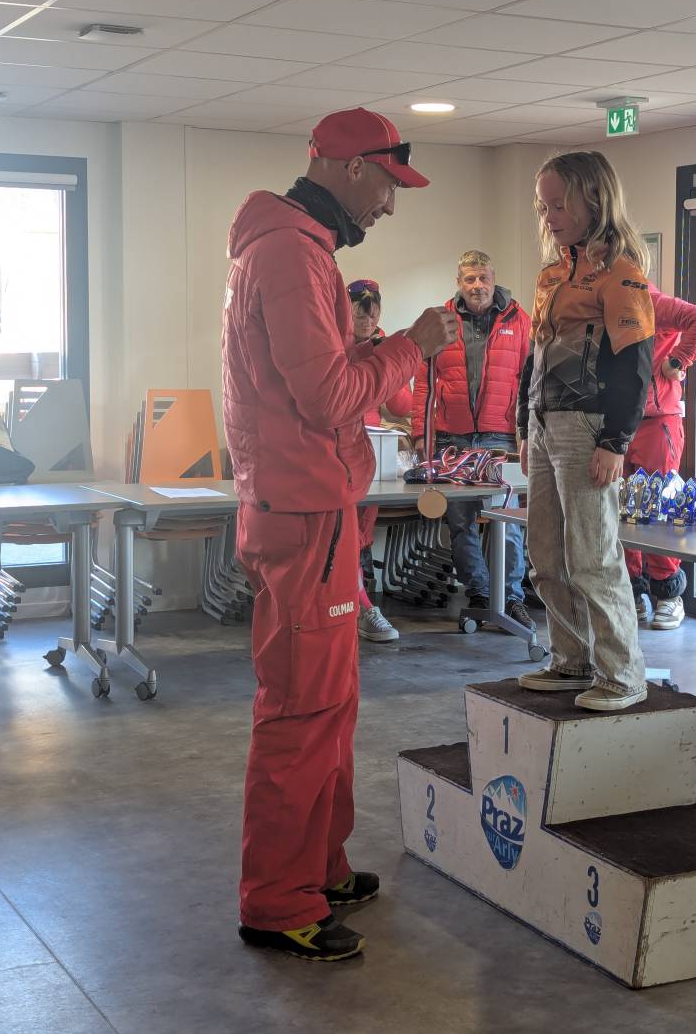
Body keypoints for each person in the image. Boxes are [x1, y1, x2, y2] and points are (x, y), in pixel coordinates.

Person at [222, 107, 456, 962]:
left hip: (313, 508)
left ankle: (317, 866)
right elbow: (326, 396)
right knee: (301, 709)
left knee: (331, 702)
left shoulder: (293, 248)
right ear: (353, 169)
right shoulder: (289, 253)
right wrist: (407, 347)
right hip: (306, 511)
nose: (391, 205)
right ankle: (278, 899)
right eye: (390, 184)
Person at [517, 150, 654, 713]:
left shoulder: (621, 271)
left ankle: (622, 673)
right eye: (543, 206)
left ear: (593, 199)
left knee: (593, 555)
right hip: (543, 419)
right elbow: (535, 353)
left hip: (589, 424)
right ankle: (569, 659)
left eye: (559, 204)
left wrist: (615, 441)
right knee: (544, 551)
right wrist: (522, 425)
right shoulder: (552, 274)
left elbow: (637, 363)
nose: (549, 216)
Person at [411, 250, 532, 624]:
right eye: (469, 280)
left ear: (493, 280)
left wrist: (528, 433)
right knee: (460, 524)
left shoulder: (519, 320)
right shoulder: (440, 322)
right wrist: (420, 434)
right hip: (453, 440)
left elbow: (531, 382)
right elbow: (423, 384)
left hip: (502, 440)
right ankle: (480, 594)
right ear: (459, 284)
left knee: (508, 522)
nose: (477, 286)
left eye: (483, 278)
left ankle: (509, 599)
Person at [625, 288, 696, 630]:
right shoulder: (599, 301)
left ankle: (668, 595)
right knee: (625, 509)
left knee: (659, 509)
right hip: (618, 422)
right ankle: (633, 593)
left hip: (657, 420)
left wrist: (679, 360)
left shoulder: (652, 301)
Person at [348, 277, 413, 644]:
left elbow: (401, 406)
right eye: (360, 311)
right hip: (336, 450)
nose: (367, 318)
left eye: (373, 313)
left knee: (361, 535)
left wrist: (391, 356)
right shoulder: (332, 342)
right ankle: (359, 605)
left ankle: (361, 605)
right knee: (342, 535)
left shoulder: (381, 342)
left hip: (372, 450)